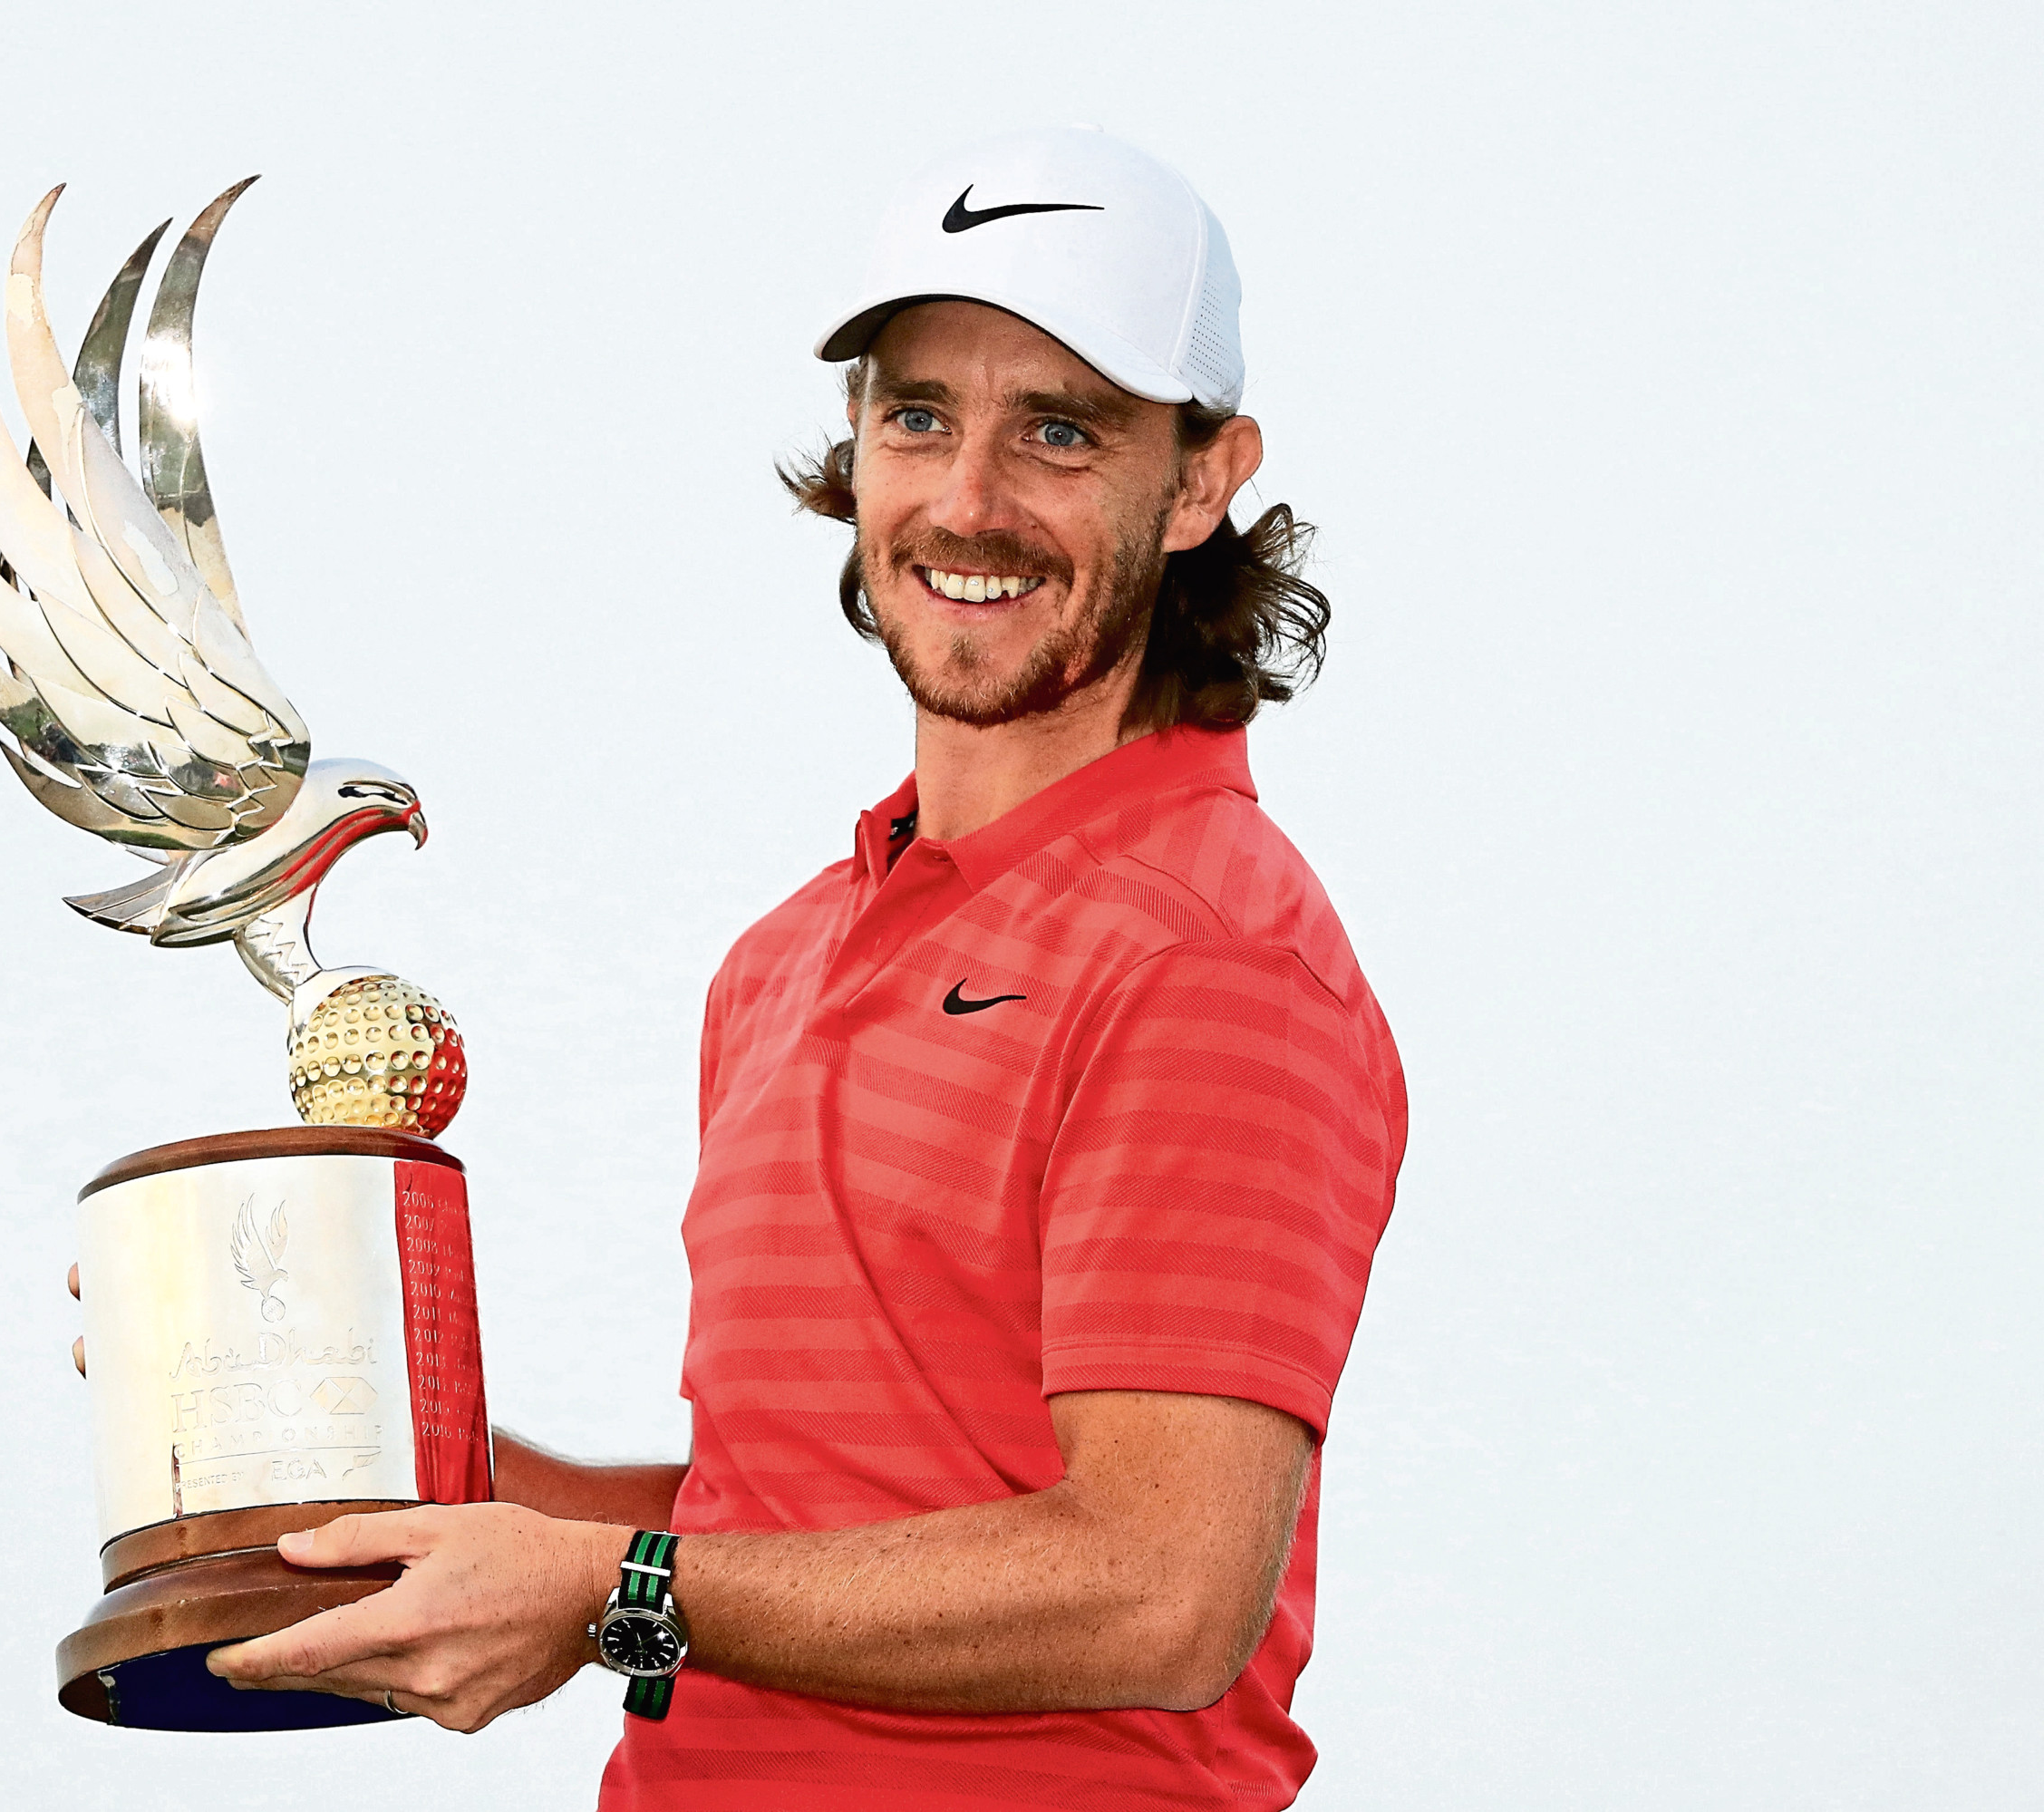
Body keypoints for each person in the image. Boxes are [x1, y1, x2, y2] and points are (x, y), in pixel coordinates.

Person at [199, 128, 1409, 1809]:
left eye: (1061, 431)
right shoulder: (786, 957)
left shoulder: (1211, 955)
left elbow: (1159, 1587)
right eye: (919, 414)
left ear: (1202, 481)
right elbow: (790, 1527)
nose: (967, 500)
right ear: (857, 442)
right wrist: (316, 1432)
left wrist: (616, 1596)